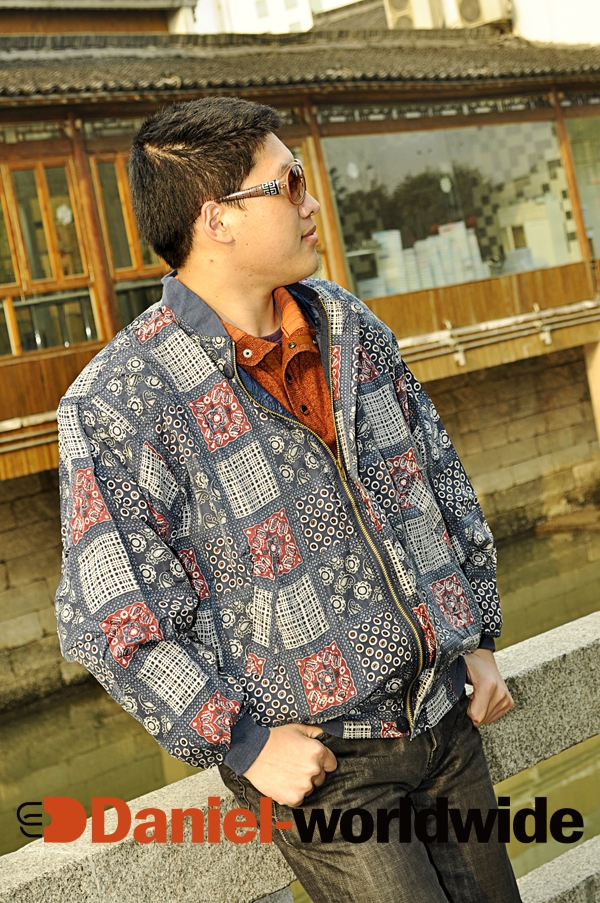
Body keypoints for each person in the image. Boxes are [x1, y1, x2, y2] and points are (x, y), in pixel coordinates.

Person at [54, 96, 522, 903]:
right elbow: (111, 617)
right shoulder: (118, 401)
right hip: (325, 765)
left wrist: (473, 633)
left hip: (448, 716)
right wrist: (243, 742)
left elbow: (435, 477)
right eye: (289, 183)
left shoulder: (346, 323)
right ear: (218, 219)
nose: (310, 203)